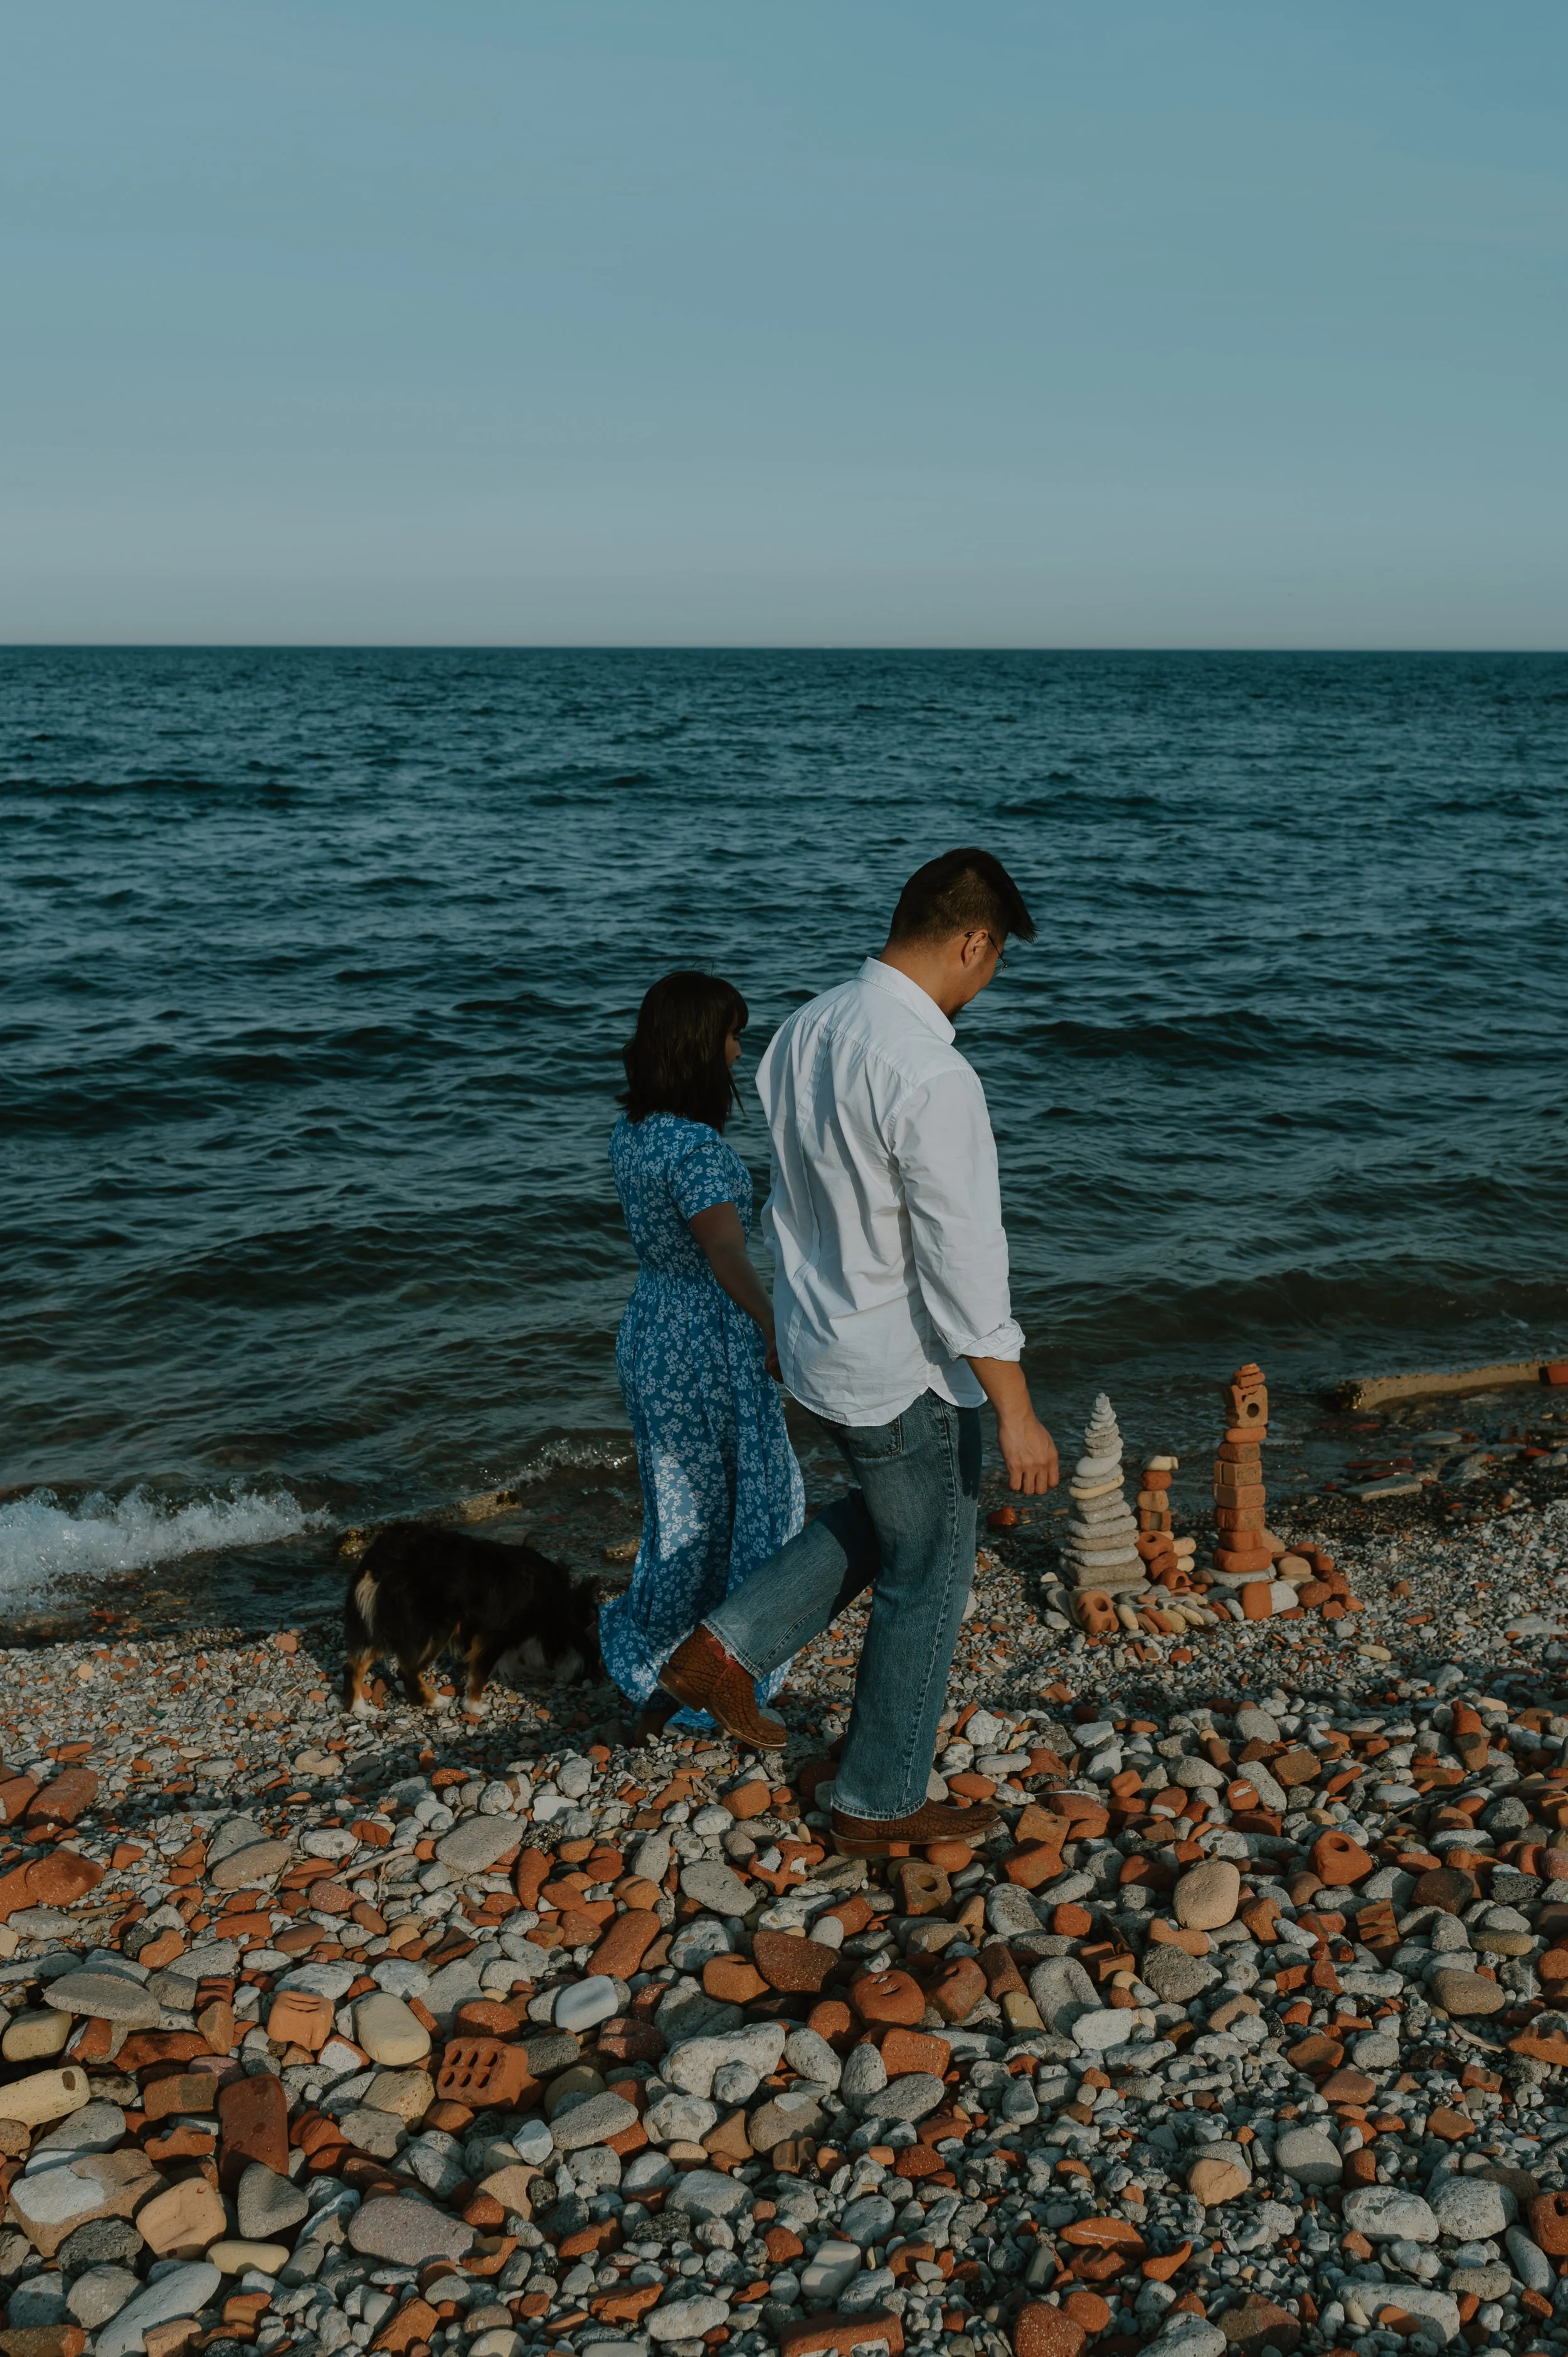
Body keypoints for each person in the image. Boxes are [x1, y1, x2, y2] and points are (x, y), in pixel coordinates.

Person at [655, 848, 1059, 1854]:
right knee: (931, 1567)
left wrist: (789, 1327)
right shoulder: (932, 1071)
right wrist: (1015, 1406)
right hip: (902, 1363)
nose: (990, 978)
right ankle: (879, 1798)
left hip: (823, 1344)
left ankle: (727, 1647)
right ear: (973, 941)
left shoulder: (803, 1031)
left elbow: (790, 1207)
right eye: (995, 957)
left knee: (890, 1518)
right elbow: (964, 1256)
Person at [600, 970, 805, 1742]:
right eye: (730, 1035)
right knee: (758, 1496)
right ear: (698, 1046)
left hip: (651, 1324)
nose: (736, 1050)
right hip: (706, 1339)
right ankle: (721, 1666)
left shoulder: (634, 1130)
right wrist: (774, 1325)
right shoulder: (697, 1149)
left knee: (681, 1499)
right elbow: (724, 1252)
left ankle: (660, 1646)